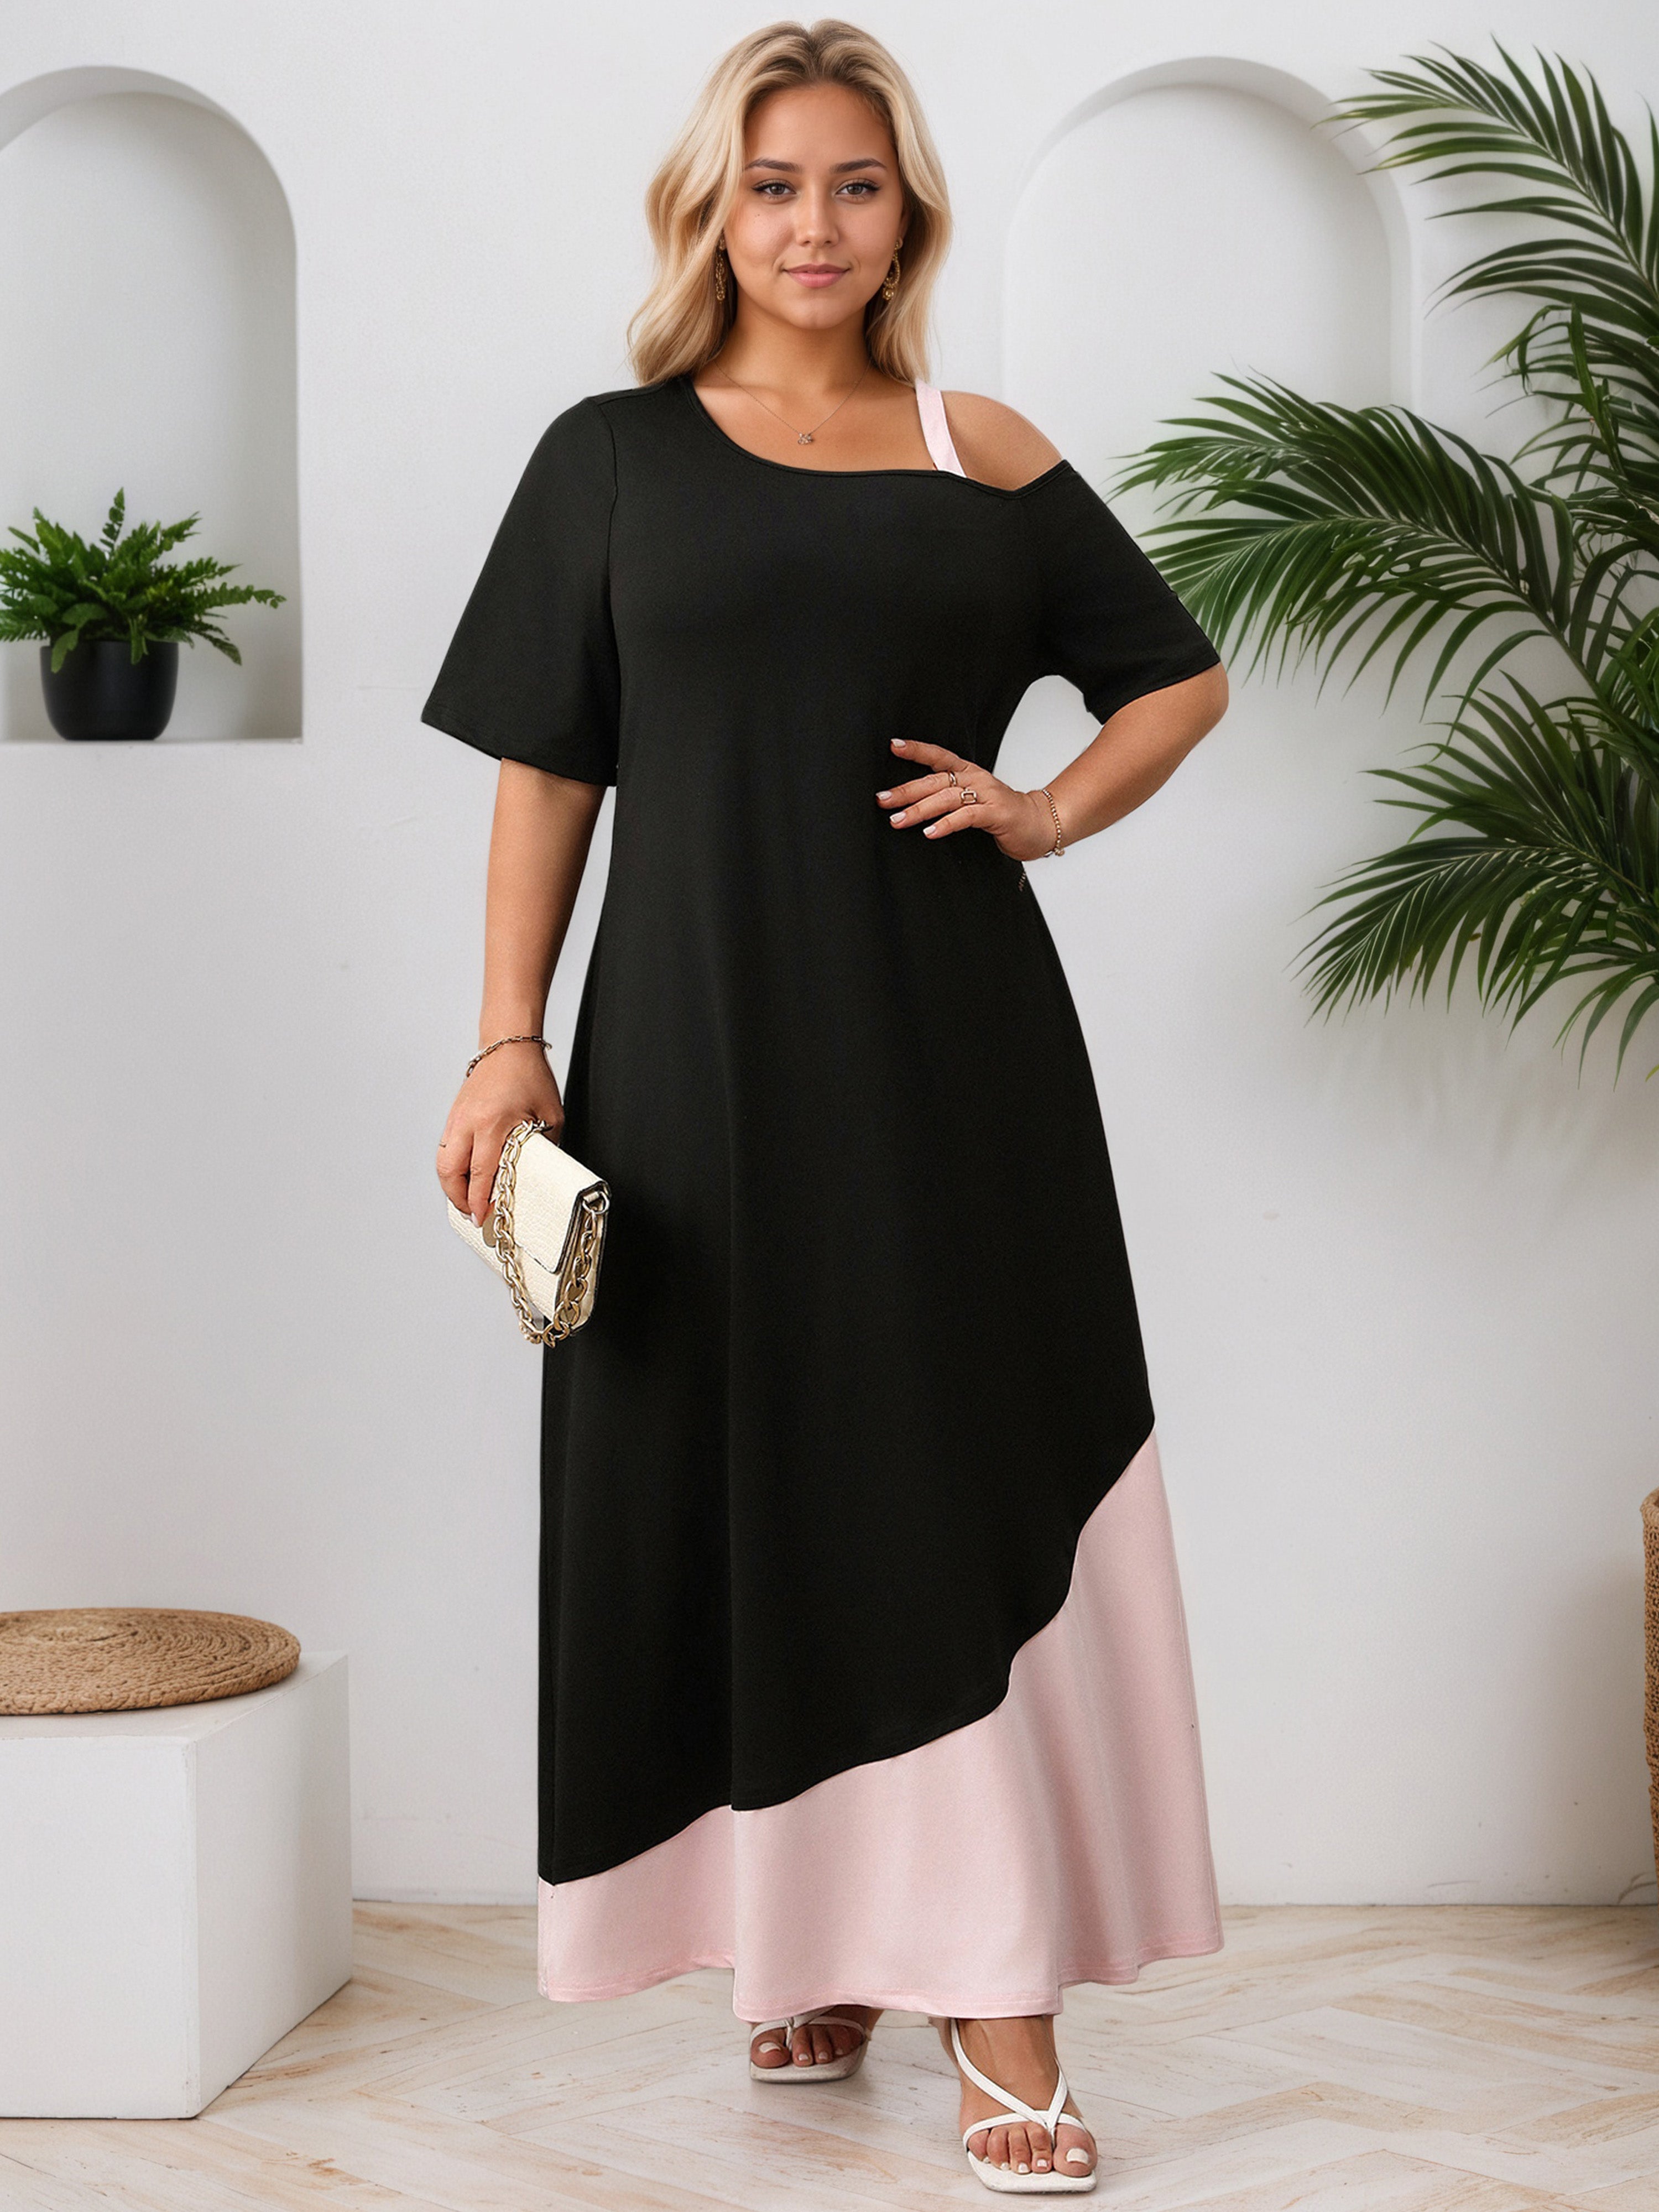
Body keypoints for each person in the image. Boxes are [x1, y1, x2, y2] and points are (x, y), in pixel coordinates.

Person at [426, 17, 1228, 2195]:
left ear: (907, 210)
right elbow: (549, 768)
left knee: (929, 1475)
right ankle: (814, 1942)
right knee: (732, 1475)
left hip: (951, 1060)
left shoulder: (981, 449)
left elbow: (1179, 676)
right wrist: (508, 1036)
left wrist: (1045, 807)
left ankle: (1001, 2001)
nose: (813, 223)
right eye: (774, 183)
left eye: (854, 183)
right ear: (715, 209)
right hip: (684, 1062)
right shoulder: (609, 456)